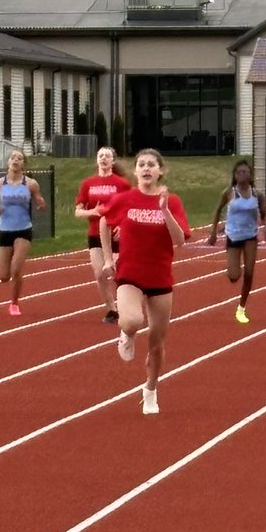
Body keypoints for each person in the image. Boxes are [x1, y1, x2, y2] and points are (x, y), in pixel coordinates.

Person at [99, 148, 190, 415]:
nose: (147, 169)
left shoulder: (171, 201)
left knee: (157, 344)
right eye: (142, 164)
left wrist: (164, 211)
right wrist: (107, 258)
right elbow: (104, 221)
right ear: (136, 171)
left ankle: (150, 390)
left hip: (160, 277)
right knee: (131, 320)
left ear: (161, 170)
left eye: (152, 164)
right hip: (130, 274)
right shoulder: (126, 199)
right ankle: (126, 335)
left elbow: (180, 240)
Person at [0, 150, 47, 315]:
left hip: (23, 229)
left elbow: (41, 202)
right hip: (4, 229)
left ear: (23, 164)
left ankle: (14, 303)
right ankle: (7, 278)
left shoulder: (30, 184)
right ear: (8, 162)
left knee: (16, 269)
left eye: (20, 158)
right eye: (13, 158)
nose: (16, 160)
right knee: (4, 275)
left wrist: (40, 205)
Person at [207, 159, 266, 324]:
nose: (243, 175)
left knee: (249, 273)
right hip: (233, 236)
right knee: (234, 276)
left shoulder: (257, 194)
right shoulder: (229, 192)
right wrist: (213, 231)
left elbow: (263, 214)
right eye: (240, 172)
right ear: (235, 175)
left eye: (246, 172)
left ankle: (241, 308)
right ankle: (233, 269)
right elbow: (217, 210)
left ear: (250, 176)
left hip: (250, 236)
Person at [74, 147, 131, 322]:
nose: (104, 158)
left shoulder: (121, 184)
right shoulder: (88, 184)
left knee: (117, 272)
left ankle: (126, 303)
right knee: (99, 274)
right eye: (100, 155)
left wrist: (123, 226)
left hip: (116, 234)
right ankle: (111, 310)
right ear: (96, 160)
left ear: (113, 161)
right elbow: (78, 211)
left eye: (107, 156)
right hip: (94, 234)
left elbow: (130, 207)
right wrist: (93, 211)